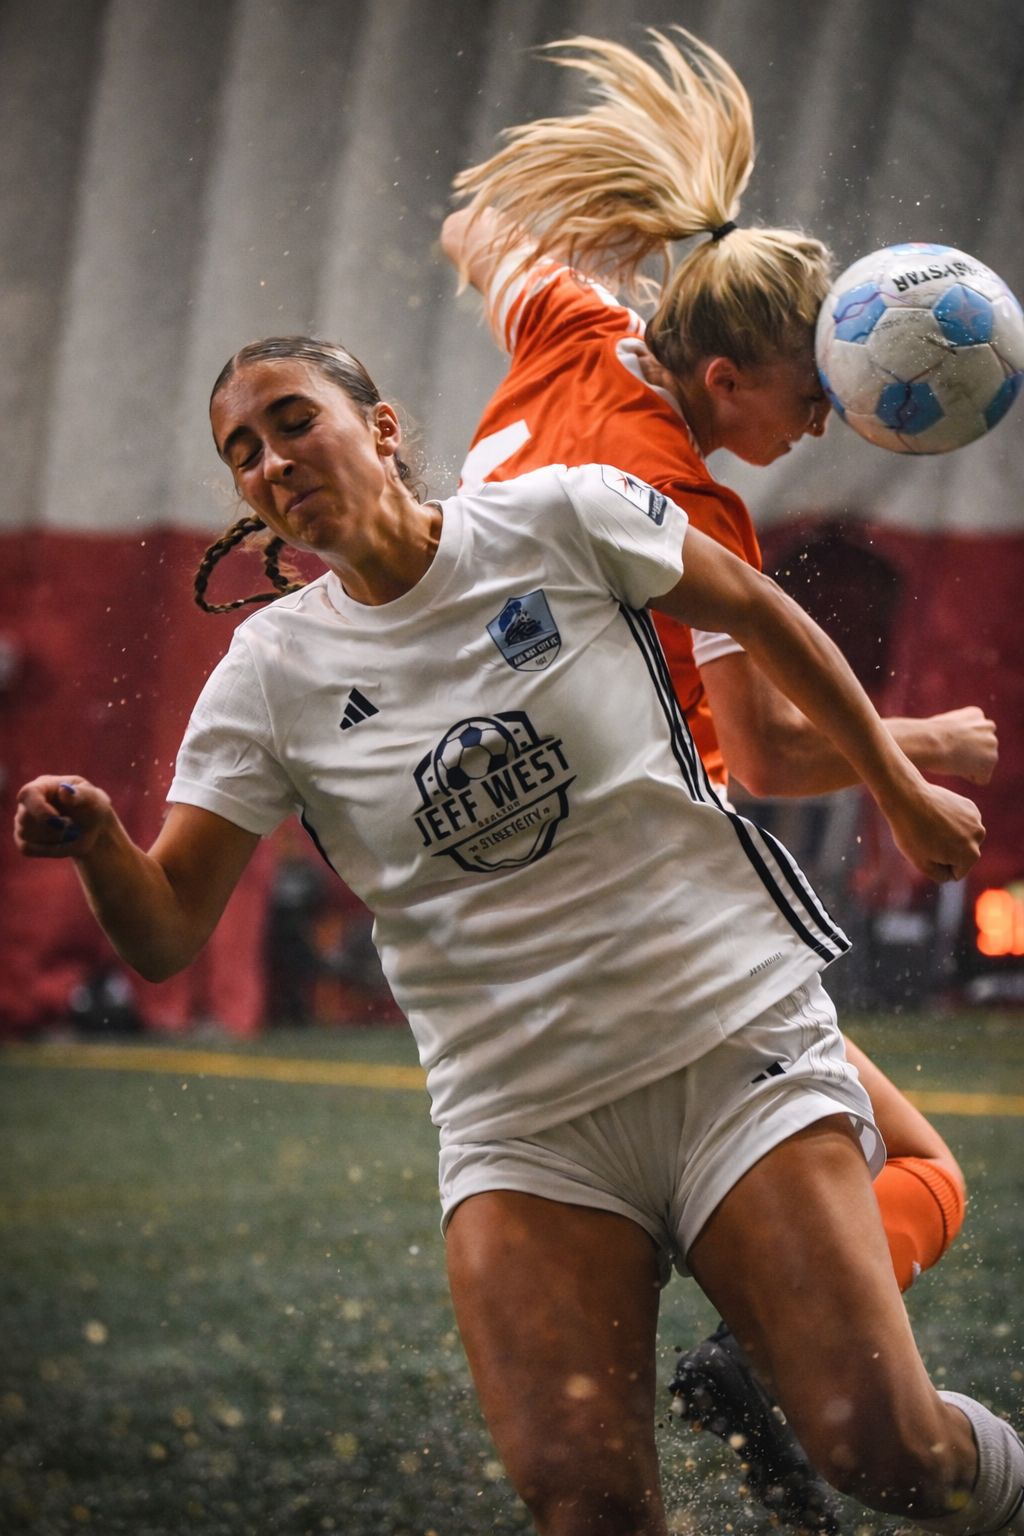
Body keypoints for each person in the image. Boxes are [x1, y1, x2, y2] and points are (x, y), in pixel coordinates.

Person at [14, 337, 1023, 1536]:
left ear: (382, 427)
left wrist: (898, 792)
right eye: (243, 452)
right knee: (586, 1511)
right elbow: (169, 930)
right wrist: (99, 851)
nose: (273, 460)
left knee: (885, 1453)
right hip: (521, 1122)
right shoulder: (267, 676)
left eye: (294, 421)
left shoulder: (562, 516)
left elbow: (757, 607)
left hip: (727, 1047)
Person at [440, 27, 997, 1524]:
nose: (822, 422)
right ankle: (772, 1354)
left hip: (490, 894)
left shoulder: (570, 325)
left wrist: (615, 261)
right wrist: (914, 756)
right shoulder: (675, 502)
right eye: (808, 398)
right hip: (658, 905)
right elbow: (763, 754)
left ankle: (760, 1337)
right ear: (727, 372)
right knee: (931, 1174)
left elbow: (470, 223)